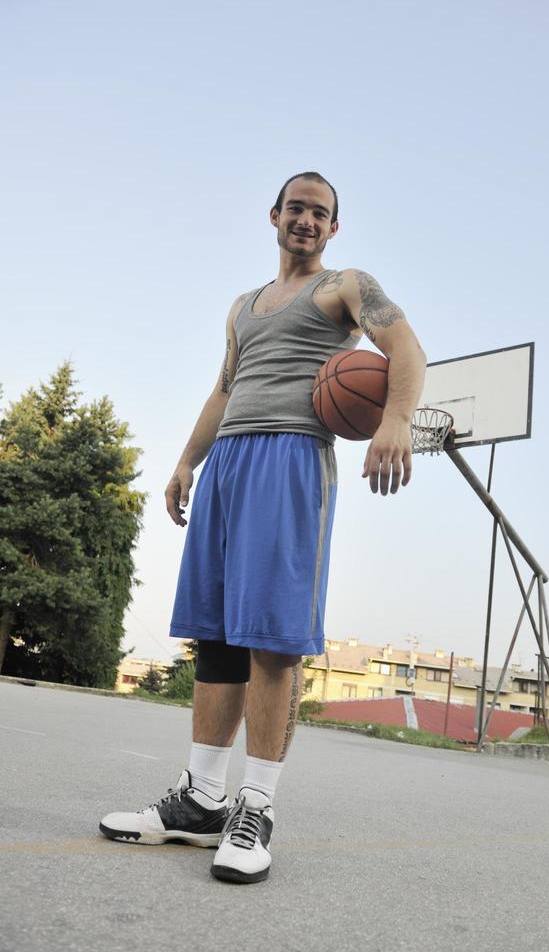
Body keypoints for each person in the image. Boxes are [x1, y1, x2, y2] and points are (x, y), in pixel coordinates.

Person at [99, 171, 427, 883]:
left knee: (272, 642)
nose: (307, 221)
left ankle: (256, 808)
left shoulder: (344, 285)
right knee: (215, 637)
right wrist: (188, 460)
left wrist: (394, 419)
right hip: (230, 464)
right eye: (297, 209)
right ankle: (199, 801)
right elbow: (224, 387)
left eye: (321, 213)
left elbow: (405, 350)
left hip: (291, 459)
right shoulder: (242, 307)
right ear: (274, 215)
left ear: (334, 228)